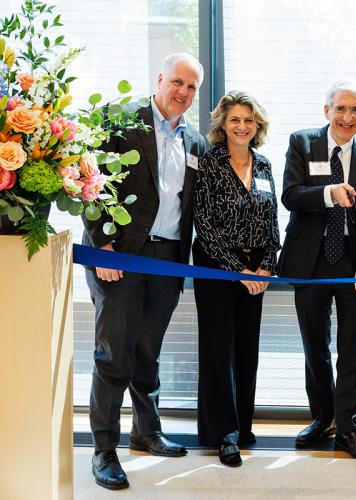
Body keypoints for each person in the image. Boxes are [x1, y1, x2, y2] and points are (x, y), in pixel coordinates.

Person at [82, 53, 206, 490]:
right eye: (178, 82)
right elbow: (90, 181)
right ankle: (103, 450)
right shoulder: (119, 120)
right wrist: (104, 248)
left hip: (169, 258)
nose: (183, 93)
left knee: (147, 350)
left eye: (192, 88)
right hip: (121, 256)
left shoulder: (196, 143)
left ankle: (146, 431)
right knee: (113, 354)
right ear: (159, 79)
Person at [277, 80, 356, 462]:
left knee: (353, 350)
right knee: (315, 347)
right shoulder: (302, 143)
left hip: (353, 264)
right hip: (310, 259)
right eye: (340, 108)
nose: (347, 116)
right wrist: (328, 193)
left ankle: (350, 430)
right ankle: (322, 418)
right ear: (327, 111)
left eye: (355, 109)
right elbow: (290, 195)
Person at [192, 91, 280, 467]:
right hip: (216, 267)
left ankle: (243, 424)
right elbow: (205, 224)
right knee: (219, 349)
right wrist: (238, 270)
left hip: (255, 272)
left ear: (257, 125)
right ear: (222, 125)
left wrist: (265, 267)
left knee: (247, 349)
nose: (242, 126)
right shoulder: (210, 163)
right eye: (234, 120)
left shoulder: (263, 165)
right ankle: (223, 434)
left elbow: (273, 221)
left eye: (249, 120)